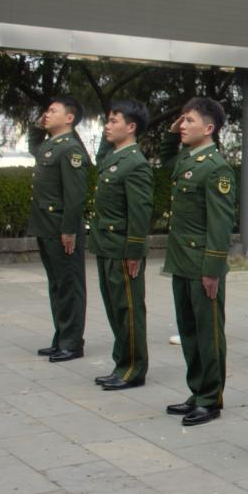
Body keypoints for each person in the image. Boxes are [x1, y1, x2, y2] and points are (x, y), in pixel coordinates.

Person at [160, 97, 237, 427]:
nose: (183, 125)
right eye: (182, 119)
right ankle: (197, 390)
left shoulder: (216, 167)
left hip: (202, 263)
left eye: (189, 120)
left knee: (208, 334)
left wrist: (213, 269)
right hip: (181, 260)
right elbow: (166, 161)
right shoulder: (188, 159)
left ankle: (210, 398)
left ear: (209, 128)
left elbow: (220, 223)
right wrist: (171, 132)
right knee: (189, 331)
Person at [91, 100, 153, 390]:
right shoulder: (114, 157)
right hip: (106, 245)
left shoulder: (135, 163)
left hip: (122, 248)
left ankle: (133, 369)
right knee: (115, 309)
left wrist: (134, 251)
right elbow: (100, 155)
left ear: (131, 127)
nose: (107, 126)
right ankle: (121, 363)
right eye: (107, 120)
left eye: (114, 121)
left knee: (128, 310)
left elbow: (140, 212)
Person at [29, 95, 91, 362]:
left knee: (69, 286)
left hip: (61, 228)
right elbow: (34, 146)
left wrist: (69, 231)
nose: (47, 114)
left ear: (69, 118)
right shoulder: (50, 145)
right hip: (46, 226)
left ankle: (72, 343)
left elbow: (75, 196)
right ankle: (61, 337)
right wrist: (36, 125)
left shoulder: (71, 149)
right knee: (56, 285)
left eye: (53, 111)